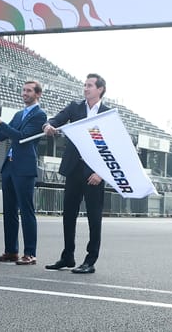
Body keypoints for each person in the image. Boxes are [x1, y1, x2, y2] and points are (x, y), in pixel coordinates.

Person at [0, 80, 48, 266]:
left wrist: (1, 123)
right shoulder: (19, 114)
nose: (24, 93)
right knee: (9, 211)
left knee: (26, 211)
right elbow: (2, 135)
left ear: (38, 94)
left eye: (29, 91)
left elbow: (22, 138)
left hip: (24, 168)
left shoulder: (40, 115)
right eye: (23, 90)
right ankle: (11, 251)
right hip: (9, 167)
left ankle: (30, 253)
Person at [42, 73, 111, 274]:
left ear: (100, 89)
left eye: (90, 85)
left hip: (94, 173)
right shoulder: (75, 107)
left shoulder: (108, 114)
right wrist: (48, 125)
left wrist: (101, 173)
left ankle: (90, 260)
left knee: (94, 218)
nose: (86, 88)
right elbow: (56, 119)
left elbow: (112, 148)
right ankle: (68, 256)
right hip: (74, 168)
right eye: (85, 85)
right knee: (68, 215)